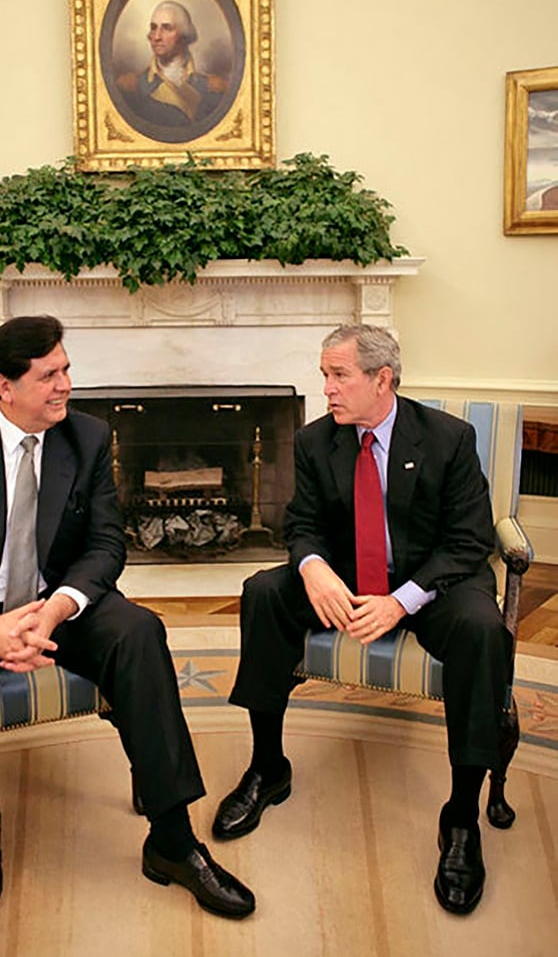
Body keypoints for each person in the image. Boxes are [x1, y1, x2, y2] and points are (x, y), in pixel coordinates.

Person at [0, 314, 254, 920]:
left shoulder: (85, 436)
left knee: (139, 632)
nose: (65, 385)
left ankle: (173, 839)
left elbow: (106, 545)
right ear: (4, 385)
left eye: (67, 369)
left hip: (50, 602)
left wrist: (53, 612)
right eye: (49, 374)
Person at [211, 324, 513, 916]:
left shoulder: (448, 438)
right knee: (263, 592)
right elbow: (301, 523)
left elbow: (468, 541)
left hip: (431, 583)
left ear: (382, 379)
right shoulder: (315, 440)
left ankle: (460, 817)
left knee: (483, 629)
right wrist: (315, 568)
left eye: (338, 375)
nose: (326, 388)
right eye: (324, 374)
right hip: (347, 581)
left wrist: (401, 601)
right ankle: (268, 767)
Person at [115, 0, 228, 128]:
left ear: (184, 35)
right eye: (153, 28)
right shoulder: (131, 88)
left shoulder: (214, 88)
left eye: (167, 28)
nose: (156, 36)